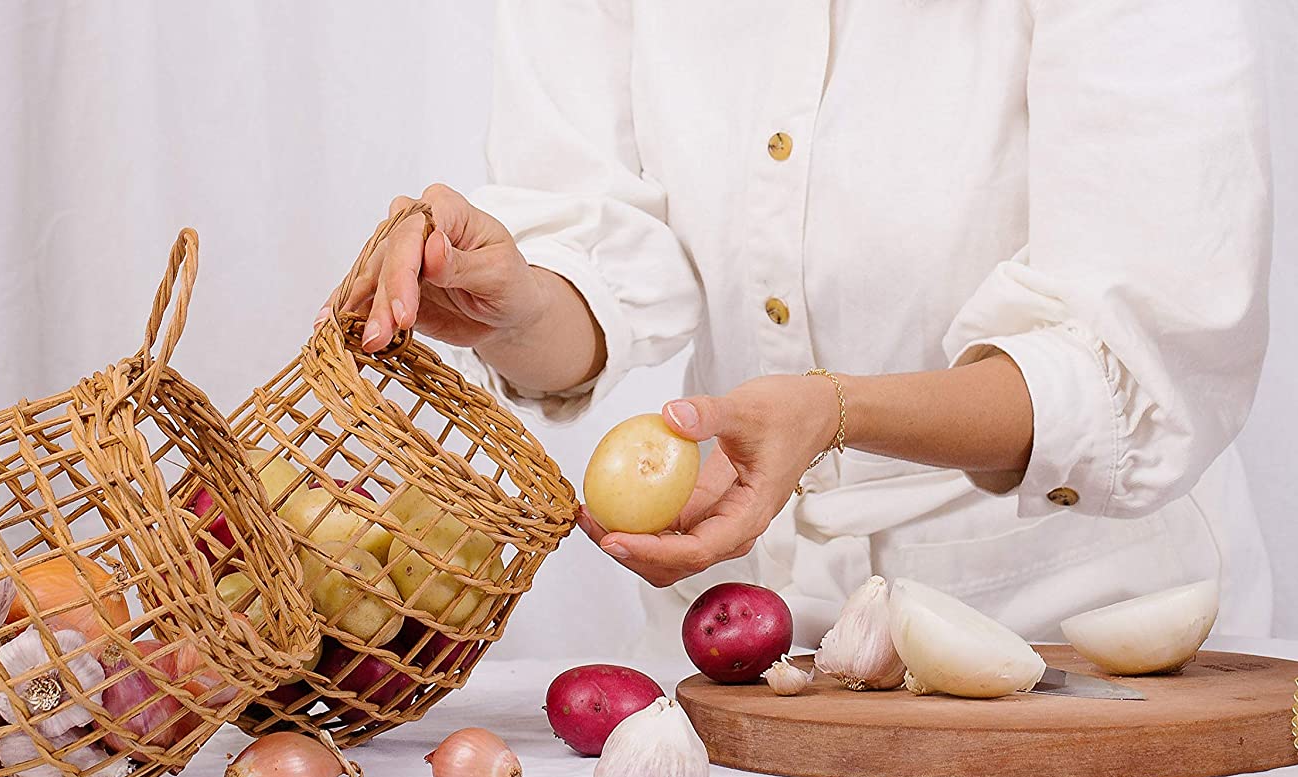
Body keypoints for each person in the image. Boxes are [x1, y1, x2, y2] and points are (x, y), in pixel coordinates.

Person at [324, 1, 1272, 646]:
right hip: (738, 641)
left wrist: (836, 411)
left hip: (1071, 642)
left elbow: (1130, 370)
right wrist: (517, 297)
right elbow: (600, 242)